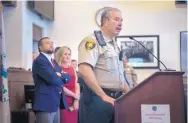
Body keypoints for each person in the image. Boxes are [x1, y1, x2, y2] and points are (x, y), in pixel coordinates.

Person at [78, 7, 129, 123]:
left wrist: (130, 94)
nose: (120, 24)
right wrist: (103, 96)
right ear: (105, 21)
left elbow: (120, 75)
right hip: (97, 99)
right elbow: (84, 69)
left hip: (116, 99)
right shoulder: (92, 41)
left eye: (121, 21)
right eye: (116, 20)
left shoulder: (114, 45)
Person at [32, 37, 71, 123]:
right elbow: (52, 79)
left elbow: (68, 77)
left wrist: (60, 75)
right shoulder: (40, 61)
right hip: (45, 103)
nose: (51, 44)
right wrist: (61, 76)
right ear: (40, 47)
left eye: (52, 43)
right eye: (47, 43)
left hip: (55, 102)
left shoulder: (53, 62)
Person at [55, 46, 80, 123]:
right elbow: (60, 86)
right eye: (65, 54)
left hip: (74, 100)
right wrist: (74, 95)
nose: (67, 56)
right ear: (60, 55)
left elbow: (76, 83)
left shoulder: (72, 68)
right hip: (63, 100)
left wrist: (76, 100)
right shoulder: (57, 69)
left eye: (69, 54)